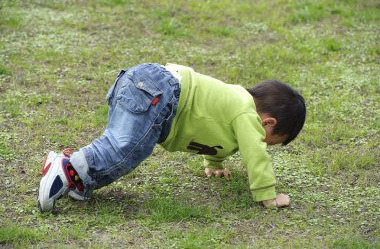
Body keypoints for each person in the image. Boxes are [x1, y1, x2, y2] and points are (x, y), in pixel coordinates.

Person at [38, 63, 306, 212]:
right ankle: (68, 167)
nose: (262, 142)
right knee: (125, 150)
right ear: (268, 123)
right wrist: (267, 195)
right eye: (270, 140)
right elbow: (253, 153)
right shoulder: (247, 112)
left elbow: (218, 138)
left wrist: (215, 165)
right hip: (161, 91)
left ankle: (78, 179)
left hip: (143, 83)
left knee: (126, 149)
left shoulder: (234, 112)